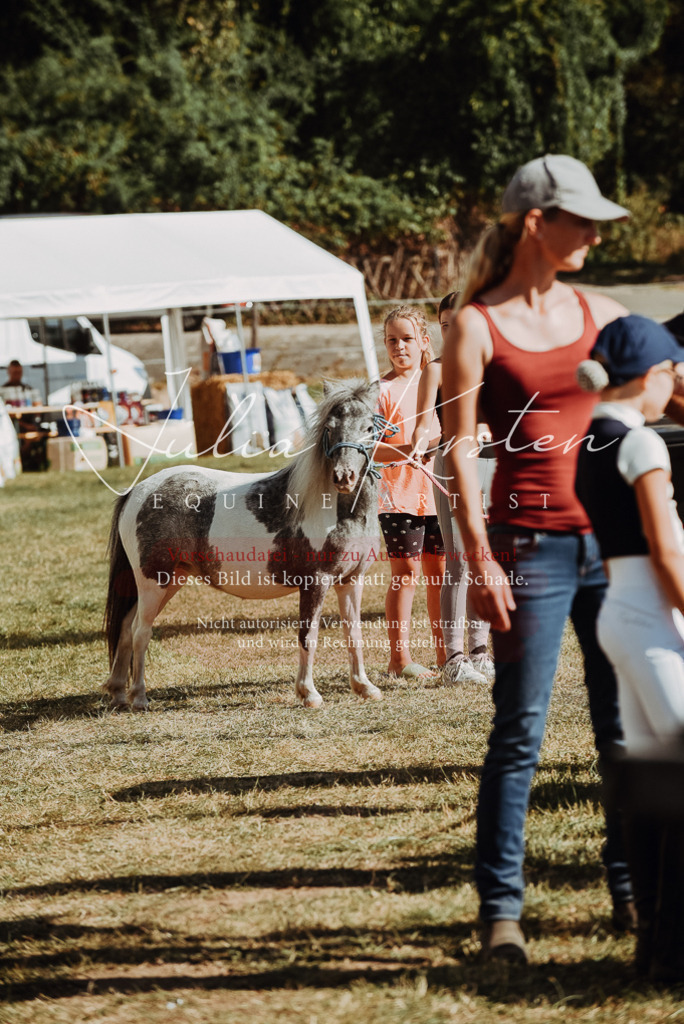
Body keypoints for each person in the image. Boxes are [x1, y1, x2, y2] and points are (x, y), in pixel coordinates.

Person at [440, 154, 635, 962]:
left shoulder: (608, 312)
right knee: (519, 730)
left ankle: (633, 894)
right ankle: (502, 918)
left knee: (624, 732)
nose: (595, 232)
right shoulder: (473, 324)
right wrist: (479, 560)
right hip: (528, 545)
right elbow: (454, 446)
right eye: (581, 219)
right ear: (534, 223)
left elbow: (655, 403)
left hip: (615, 548)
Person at [575, 314, 684, 980]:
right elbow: (667, 550)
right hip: (652, 614)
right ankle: (673, 948)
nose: (675, 385)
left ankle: (652, 943)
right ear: (648, 376)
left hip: (616, 608)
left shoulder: (589, 439)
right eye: (672, 373)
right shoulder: (642, 446)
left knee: (653, 785)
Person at [411, 293, 495, 684]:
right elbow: (424, 420)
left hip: (491, 461)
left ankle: (480, 652)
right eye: (445, 325)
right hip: (454, 462)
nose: (452, 331)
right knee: (459, 560)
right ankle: (453, 659)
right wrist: (417, 445)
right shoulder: (437, 369)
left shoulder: (491, 366)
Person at [374, 304, 446, 679]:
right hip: (397, 495)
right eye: (391, 340)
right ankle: (399, 659)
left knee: (441, 575)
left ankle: (444, 655)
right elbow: (368, 448)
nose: (399, 346)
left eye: (406, 339)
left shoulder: (439, 383)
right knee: (406, 573)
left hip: (439, 492)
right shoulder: (380, 390)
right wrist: (410, 449)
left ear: (424, 341)